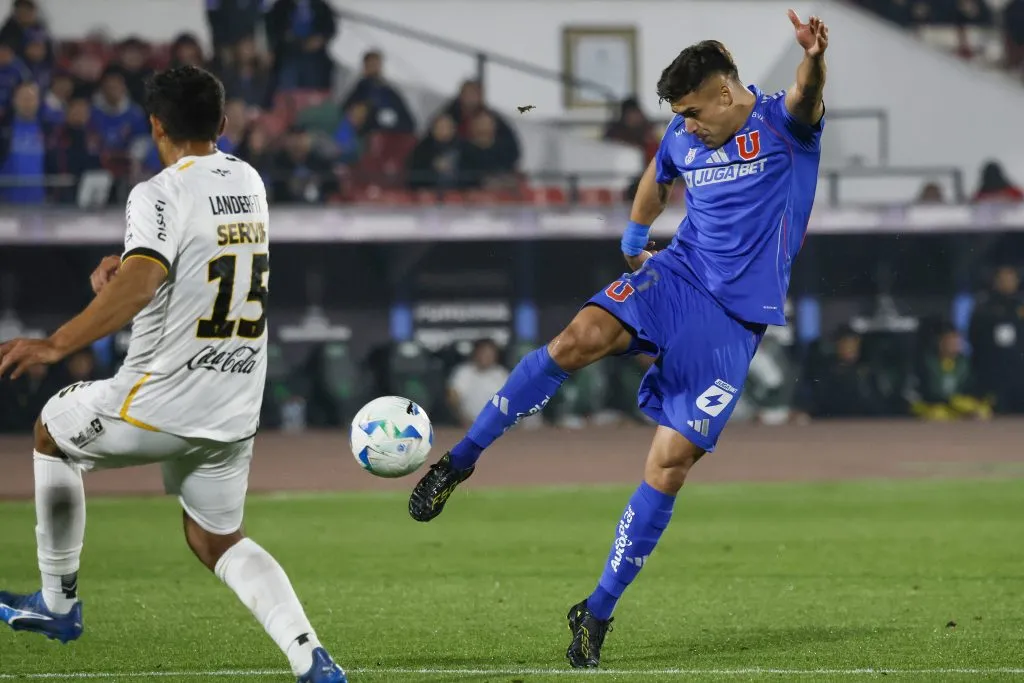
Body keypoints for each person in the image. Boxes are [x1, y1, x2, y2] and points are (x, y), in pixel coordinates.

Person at [408, 10, 829, 669]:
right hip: (680, 274)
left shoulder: (783, 124)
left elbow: (808, 93)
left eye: (692, 109)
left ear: (725, 93)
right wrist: (635, 240)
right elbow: (656, 177)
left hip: (734, 321)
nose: (686, 123)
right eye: (679, 112)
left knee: (669, 465)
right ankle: (457, 460)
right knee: (580, 337)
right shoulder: (685, 134)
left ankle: (597, 609)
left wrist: (814, 57)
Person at [0, 66, 346, 683]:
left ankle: (57, 603)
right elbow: (193, 263)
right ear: (223, 123)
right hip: (235, 405)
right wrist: (134, 267)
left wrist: (56, 343)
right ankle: (311, 659)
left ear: (154, 125)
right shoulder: (249, 179)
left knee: (50, 431)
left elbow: (143, 280)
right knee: (218, 539)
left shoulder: (156, 192)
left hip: (158, 403)